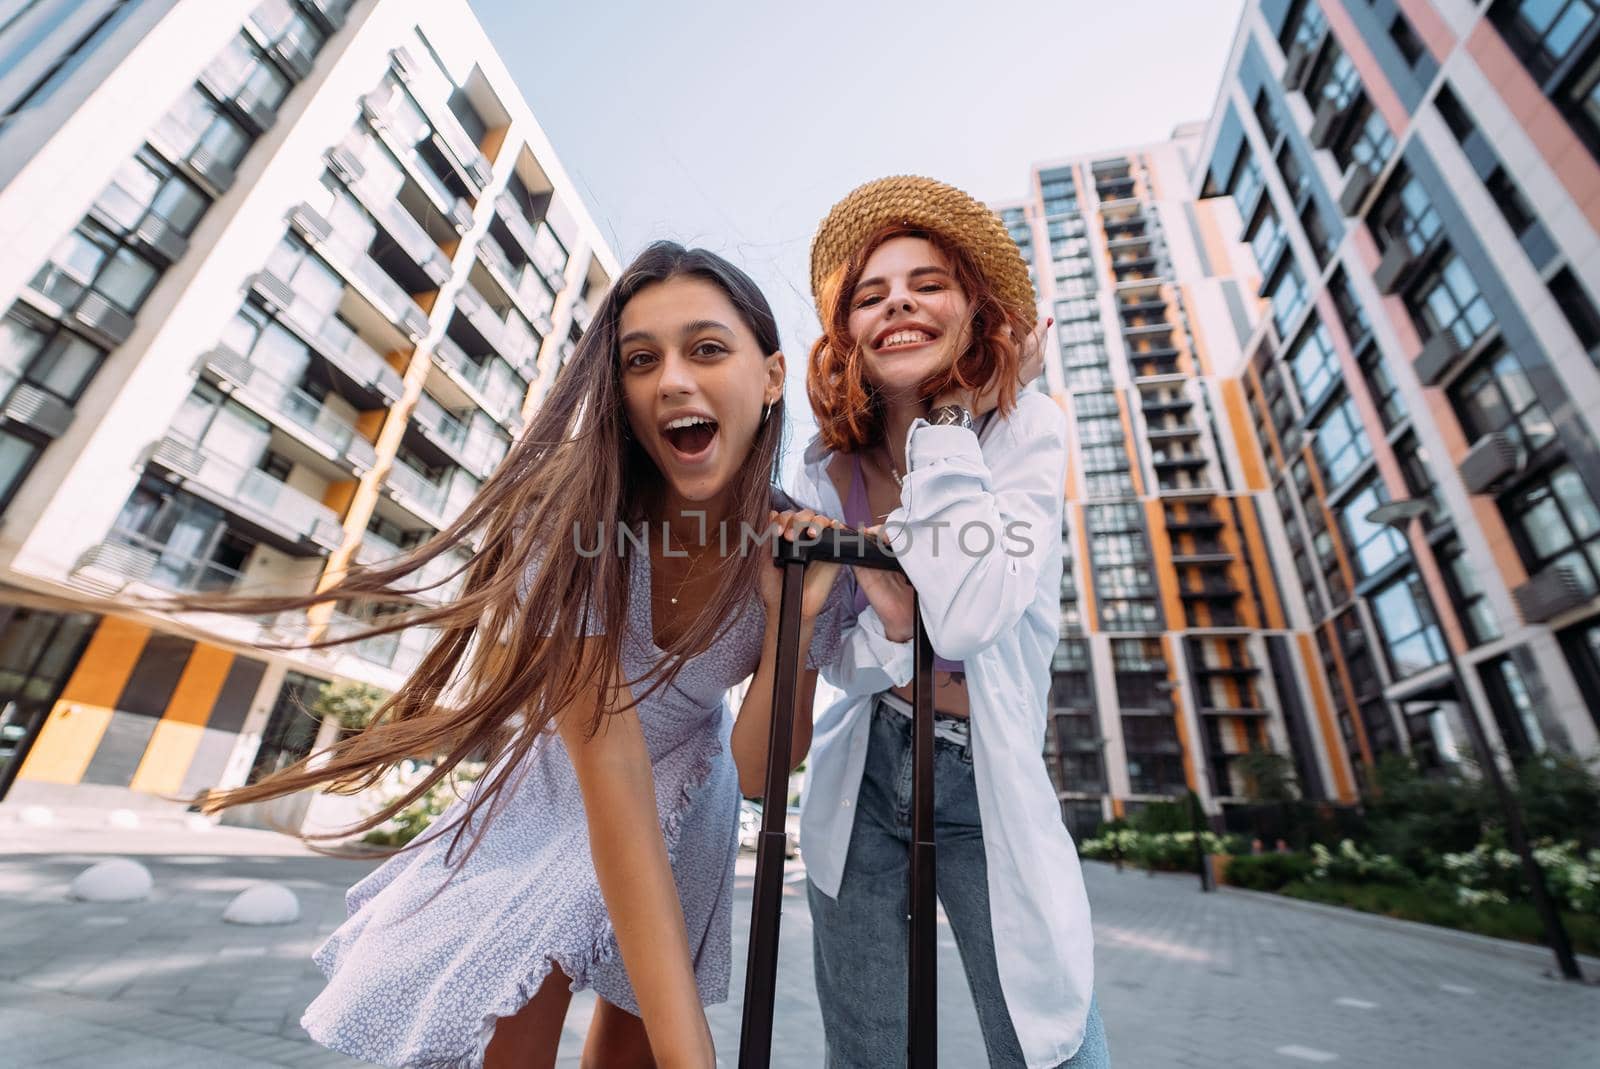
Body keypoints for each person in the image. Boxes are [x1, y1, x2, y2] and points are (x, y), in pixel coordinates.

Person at [190, 242, 847, 1069]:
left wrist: (790, 619)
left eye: (707, 348)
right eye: (640, 360)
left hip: (696, 788)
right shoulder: (572, 514)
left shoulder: (799, 548)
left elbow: (761, 770)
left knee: (634, 1043)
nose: (672, 379)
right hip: (562, 779)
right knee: (500, 1018)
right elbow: (608, 760)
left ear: (773, 375)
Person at [793, 176, 1111, 1068]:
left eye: (927, 282)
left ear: (973, 308)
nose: (898, 300)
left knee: (1048, 1047)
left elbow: (968, 614)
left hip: (985, 780)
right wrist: (892, 614)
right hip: (862, 775)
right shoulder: (833, 468)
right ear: (849, 330)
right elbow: (837, 656)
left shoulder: (1024, 430)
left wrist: (950, 418)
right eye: (871, 292)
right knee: (867, 1054)